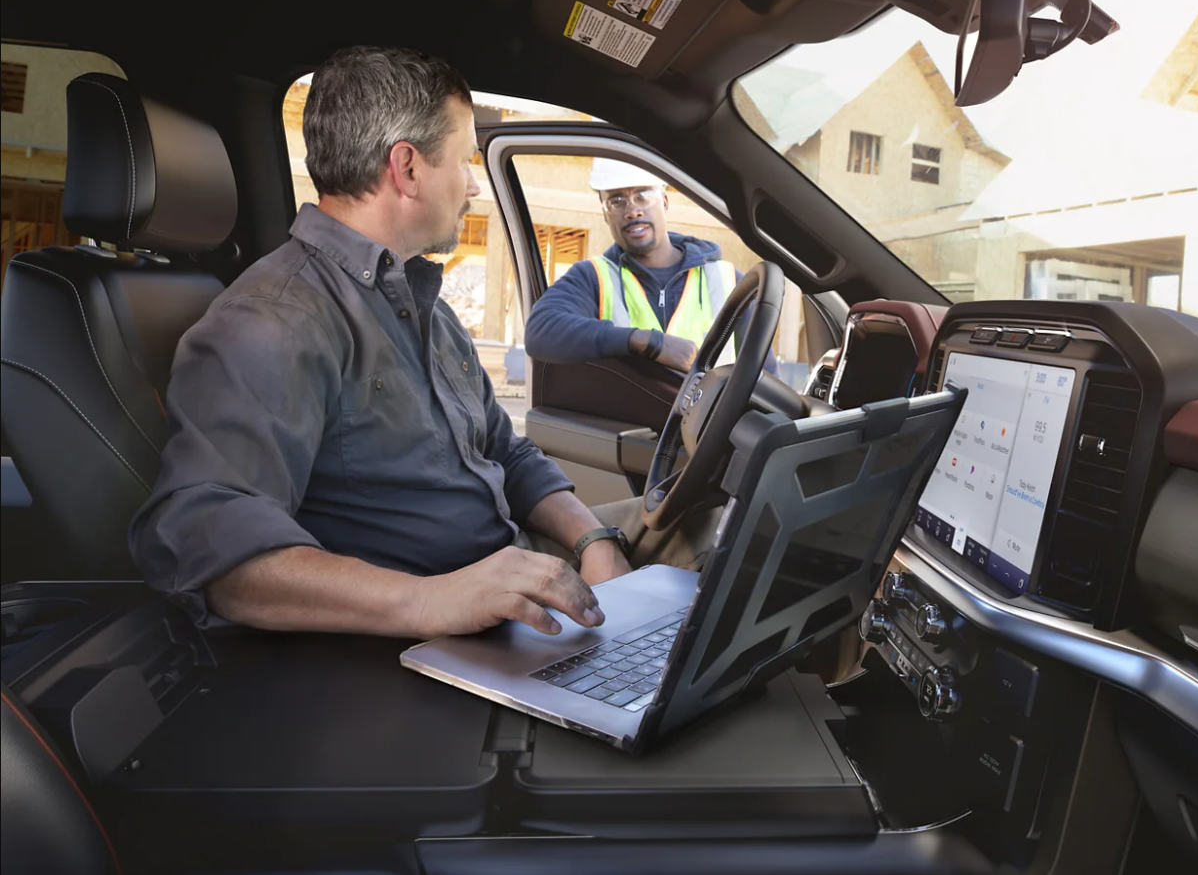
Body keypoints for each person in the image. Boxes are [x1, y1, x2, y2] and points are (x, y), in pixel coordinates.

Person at [129, 47, 711, 642]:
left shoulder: (419, 301)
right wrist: (430, 600)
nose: (476, 185)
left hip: (503, 568)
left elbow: (506, 453)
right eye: (465, 160)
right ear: (407, 168)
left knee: (710, 525)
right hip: (428, 619)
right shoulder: (272, 320)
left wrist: (592, 541)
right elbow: (210, 542)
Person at [525, 159, 772, 373]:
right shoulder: (593, 278)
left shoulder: (727, 281)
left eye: (643, 195)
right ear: (604, 214)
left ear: (664, 202)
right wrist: (645, 341)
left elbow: (765, 377)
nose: (632, 210)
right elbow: (540, 331)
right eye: (616, 201)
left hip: (711, 427)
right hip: (627, 425)